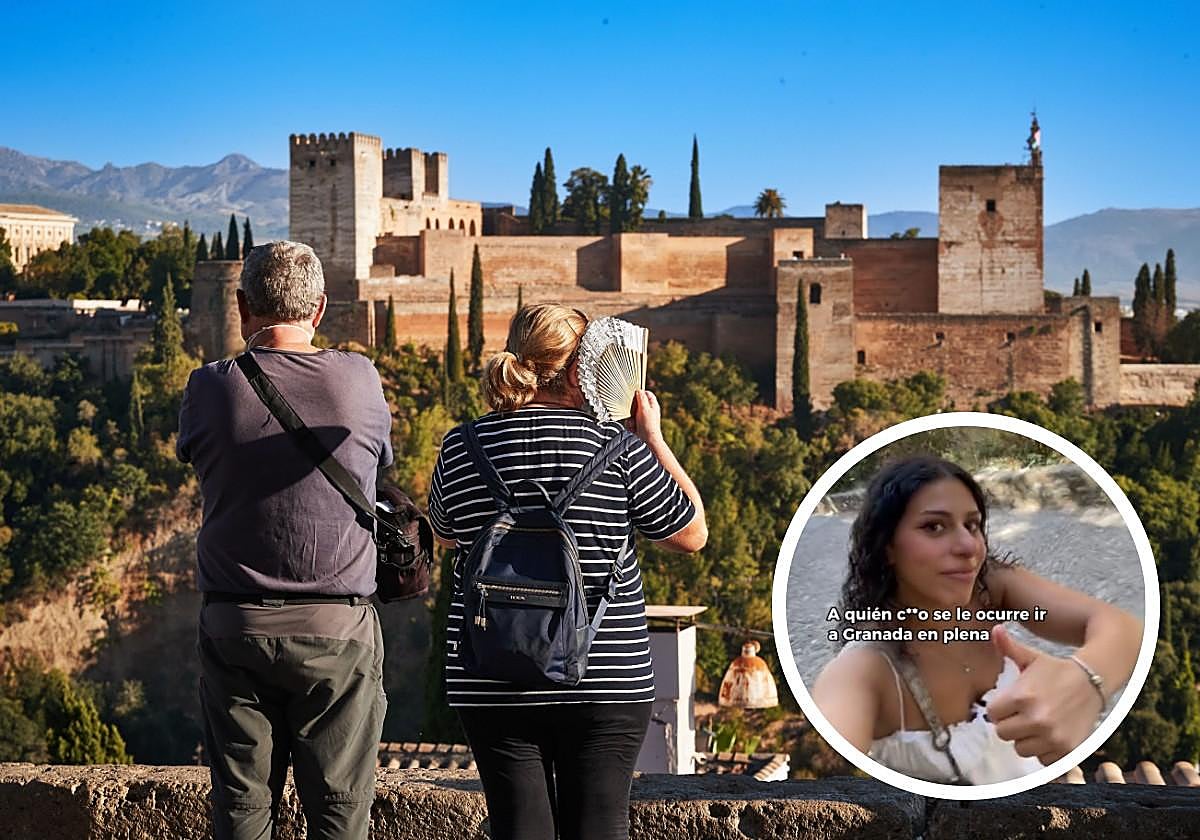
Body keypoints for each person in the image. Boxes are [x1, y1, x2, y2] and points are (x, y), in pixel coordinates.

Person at [428, 303, 707, 840]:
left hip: (492, 673)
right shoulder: (617, 447)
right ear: (583, 369)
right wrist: (652, 438)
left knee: (517, 828)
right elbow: (691, 533)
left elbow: (444, 532)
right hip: (605, 677)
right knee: (601, 826)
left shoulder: (462, 446)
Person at [177, 241, 393, 839]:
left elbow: (194, 453)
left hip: (235, 624)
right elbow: (380, 463)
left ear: (242, 306)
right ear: (319, 309)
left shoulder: (208, 386)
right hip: (337, 629)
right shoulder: (359, 378)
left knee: (242, 812)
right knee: (340, 813)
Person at [810, 455, 1142, 785]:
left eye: (972, 525)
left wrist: (1085, 681)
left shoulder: (991, 586)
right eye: (934, 527)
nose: (969, 546)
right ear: (887, 547)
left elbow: (1123, 627)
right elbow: (821, 775)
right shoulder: (864, 669)